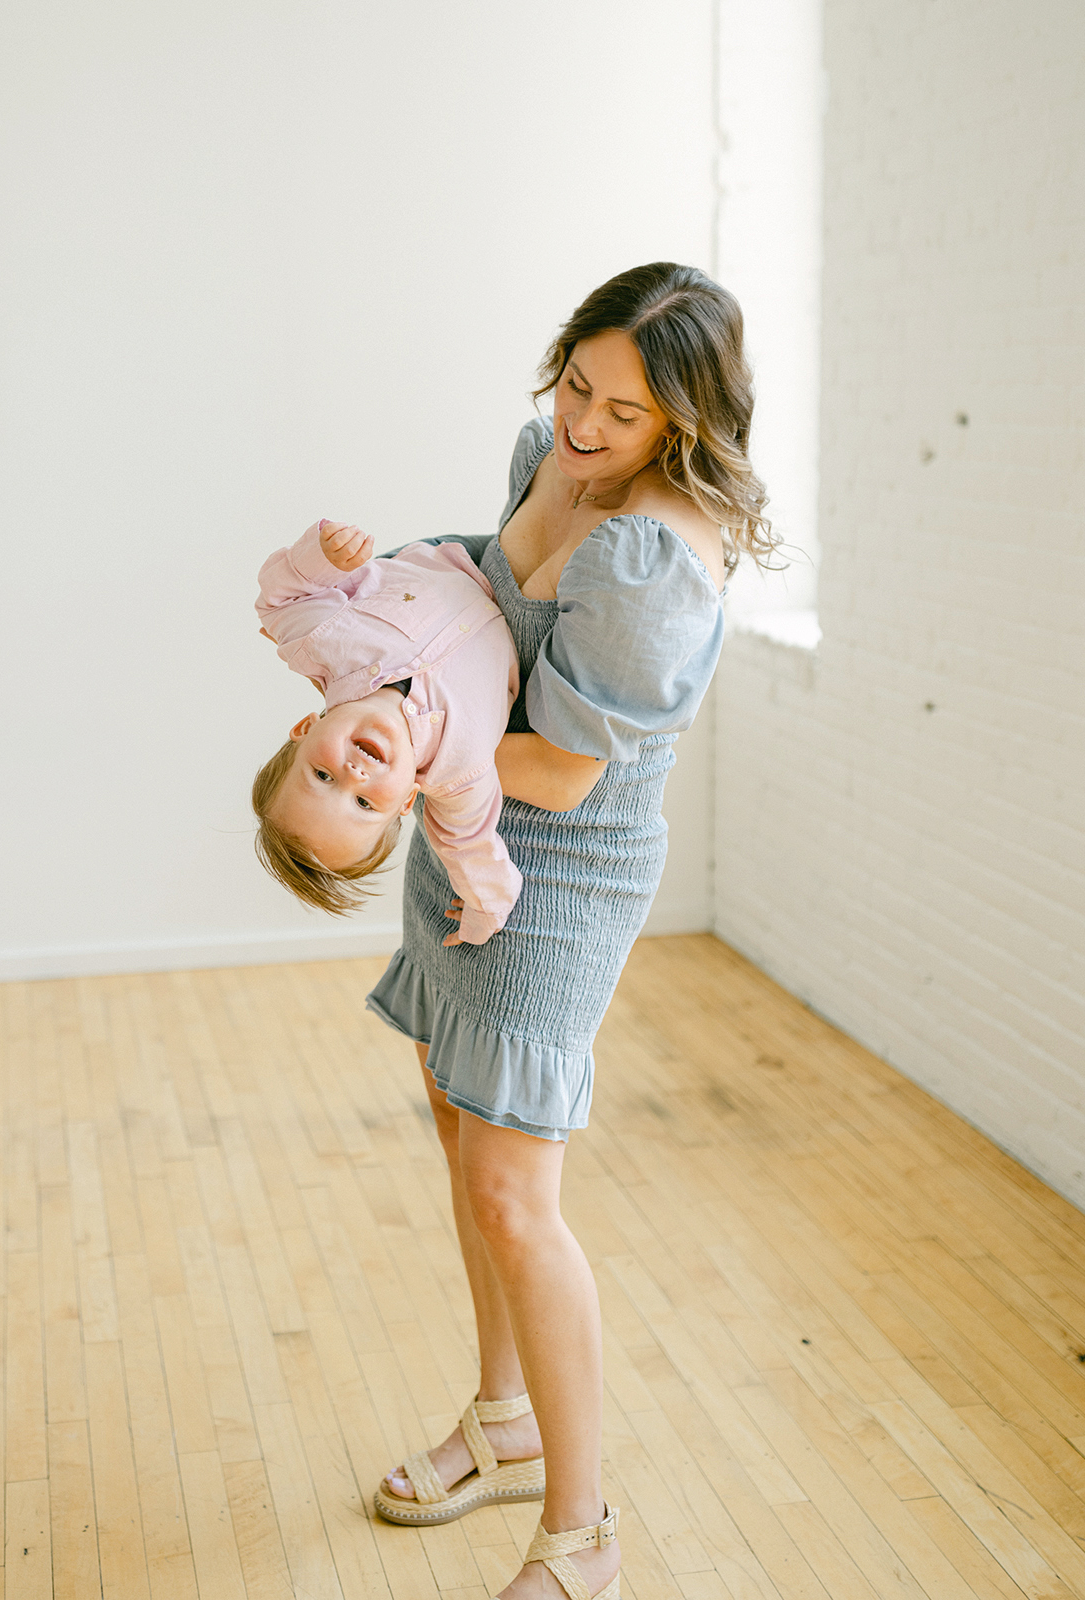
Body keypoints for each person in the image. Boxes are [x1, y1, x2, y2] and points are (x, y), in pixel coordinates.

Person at [367, 262, 775, 1600]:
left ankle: (586, 1533)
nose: (588, 429)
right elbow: (486, 610)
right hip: (464, 841)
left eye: (628, 415)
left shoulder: (655, 556)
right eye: (578, 387)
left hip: (562, 866)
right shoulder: (551, 454)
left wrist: (393, 744)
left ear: (690, 428)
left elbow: (565, 770)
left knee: (512, 1192)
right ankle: (505, 1425)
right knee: (451, 1115)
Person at [252, 517, 522, 944]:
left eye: (322, 776)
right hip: (525, 603)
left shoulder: (322, 644)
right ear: (407, 800)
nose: (354, 776)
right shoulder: (457, 772)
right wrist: (486, 909)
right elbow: (470, 846)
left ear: (305, 728)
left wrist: (321, 558)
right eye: (363, 803)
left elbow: (277, 602)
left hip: (460, 553)